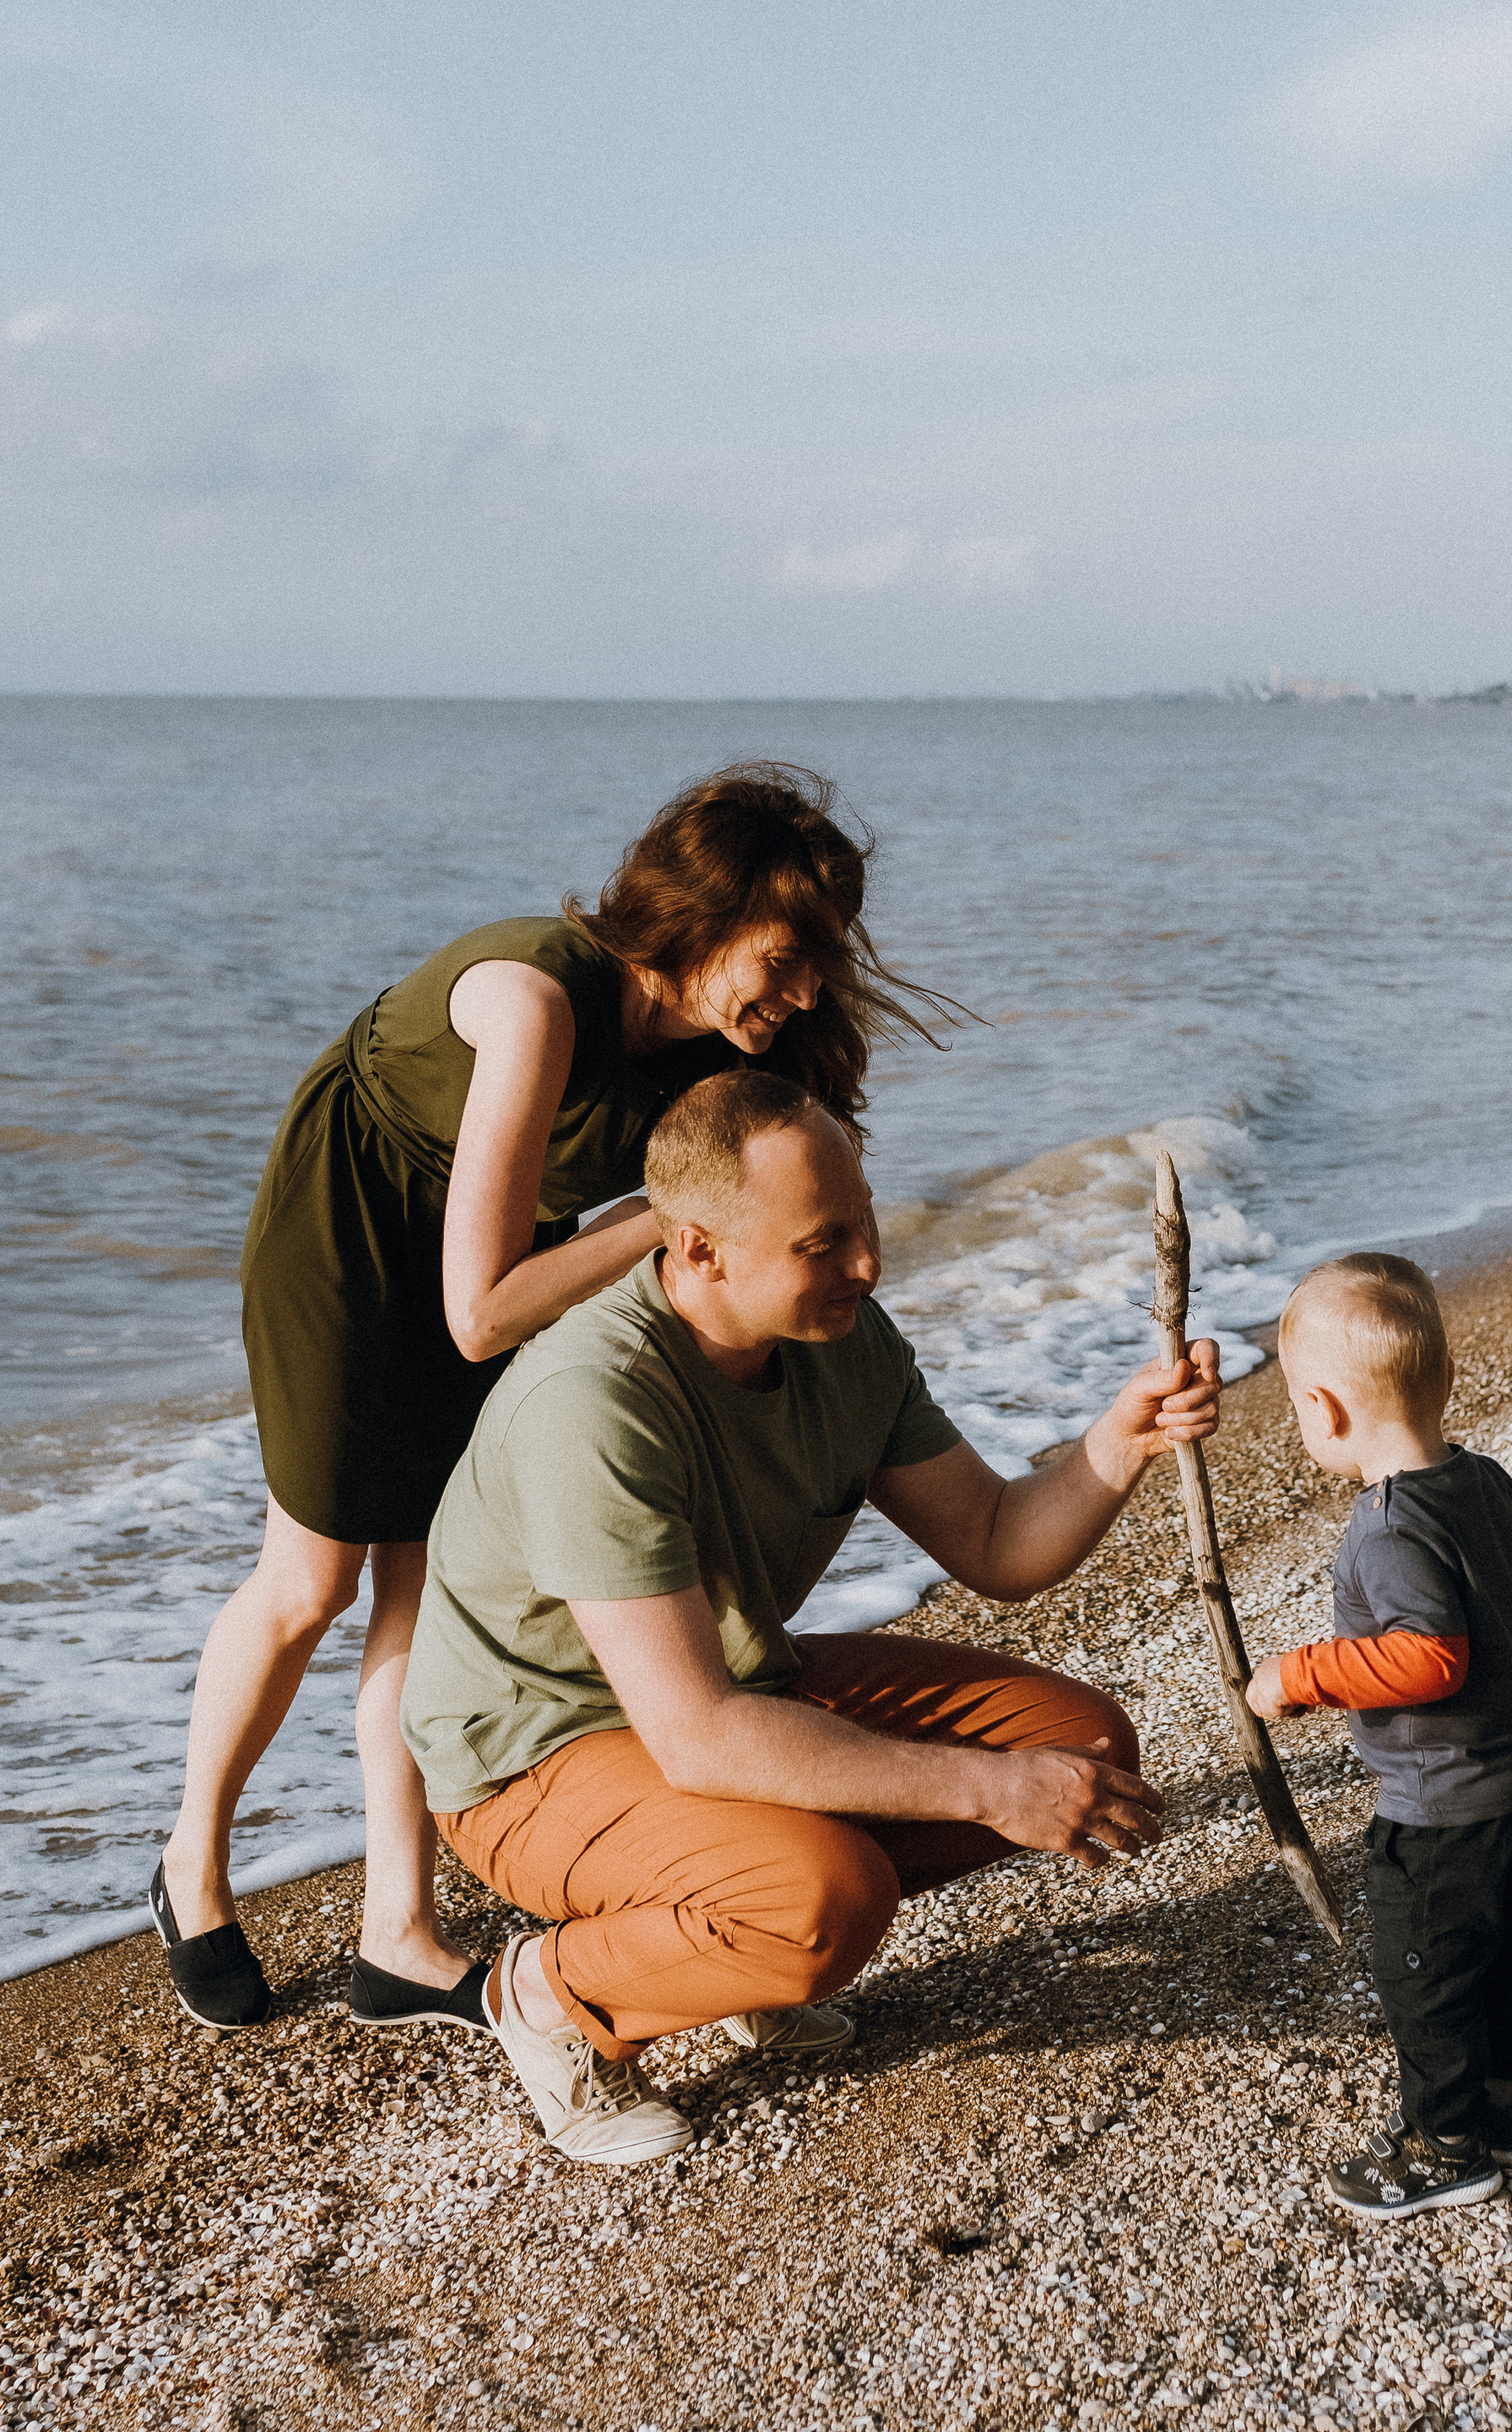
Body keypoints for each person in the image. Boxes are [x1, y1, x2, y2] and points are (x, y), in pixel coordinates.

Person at [152, 764, 947, 2038]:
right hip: (355, 1243)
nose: (805, 993)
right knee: (311, 1583)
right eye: (787, 957)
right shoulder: (533, 999)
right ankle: (193, 1869)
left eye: (821, 965)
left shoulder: (699, 1049)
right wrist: (658, 1223)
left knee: (430, 1577)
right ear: (702, 916)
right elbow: (481, 1309)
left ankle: (395, 1937)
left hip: (512, 1254)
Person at [398, 1066, 1222, 2164]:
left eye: (866, 1221)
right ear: (699, 1249)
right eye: (823, 1242)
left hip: (725, 1692)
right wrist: (986, 1788)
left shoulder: (842, 1335)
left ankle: (735, 1946)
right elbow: (695, 1732)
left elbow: (996, 1543)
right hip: (531, 1756)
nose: (870, 1264)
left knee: (1078, 1749)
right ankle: (548, 1996)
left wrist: (1123, 1440)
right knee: (828, 1898)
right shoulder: (590, 1403)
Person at [1244, 1253, 1512, 2219]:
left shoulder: (1385, 1528)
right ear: (1446, 1382)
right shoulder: (1485, 1481)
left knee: (1423, 1976)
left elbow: (1427, 1660)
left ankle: (1445, 2147)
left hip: (1445, 1810)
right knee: (1500, 1957)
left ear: (1325, 1411)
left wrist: (1300, 1675)